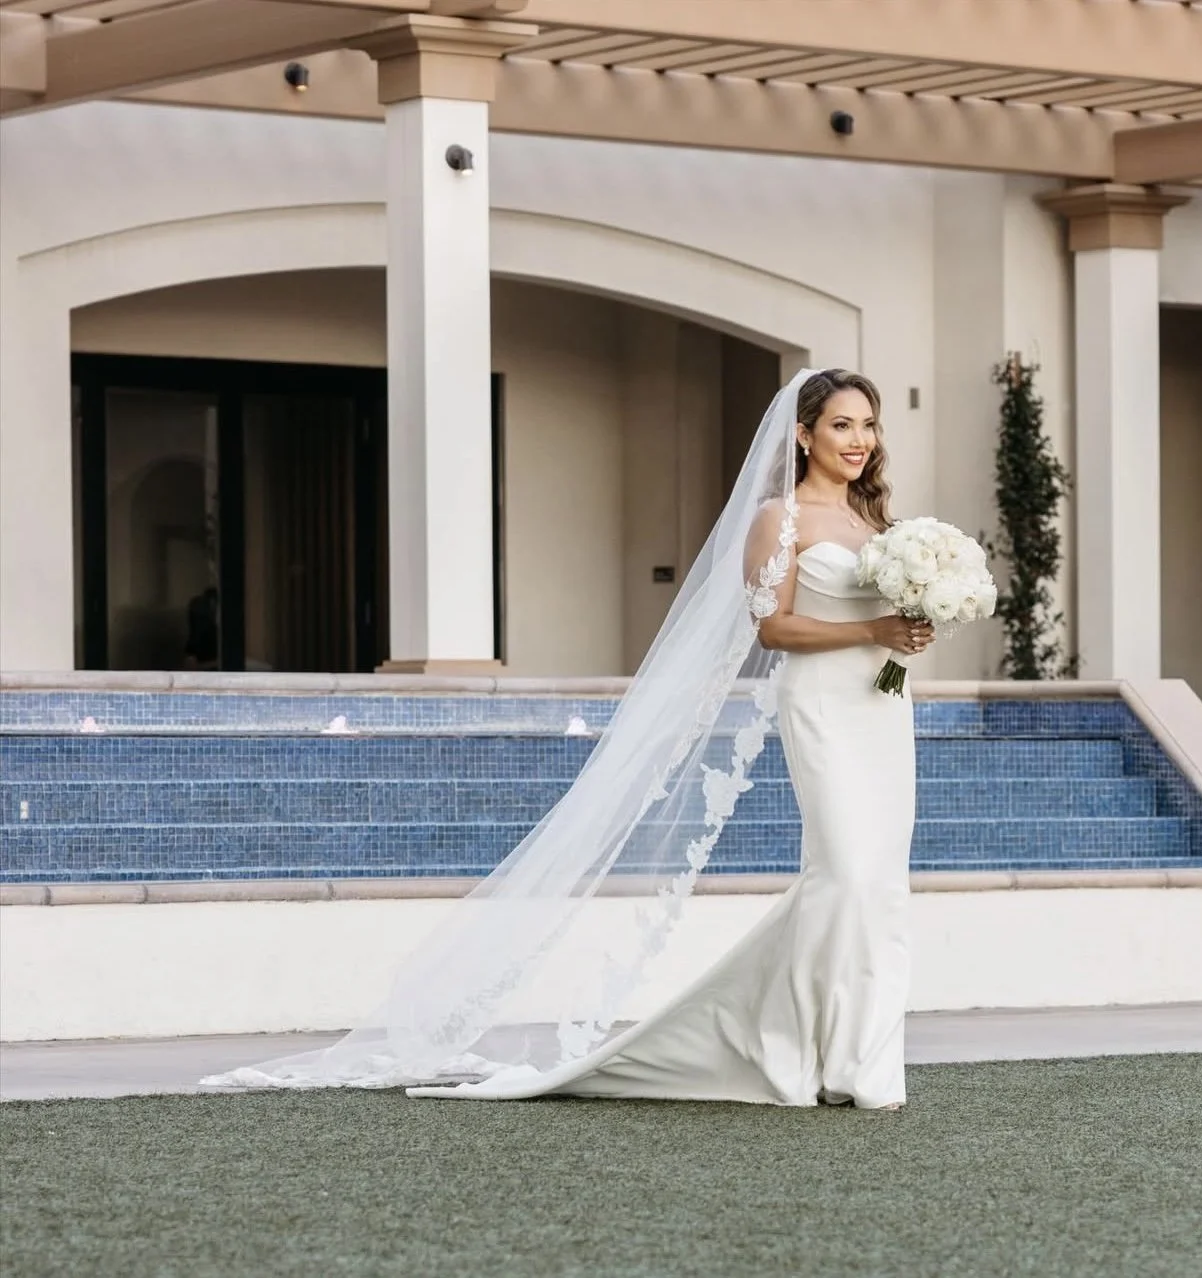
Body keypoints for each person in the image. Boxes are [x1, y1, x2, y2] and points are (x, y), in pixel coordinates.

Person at [202, 369, 933, 1109]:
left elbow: (884, 617)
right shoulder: (780, 518)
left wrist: (910, 628)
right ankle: (798, 1050)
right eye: (842, 425)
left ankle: (857, 1056)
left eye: (868, 425)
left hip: (882, 711)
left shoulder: (878, 526)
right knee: (841, 874)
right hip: (822, 711)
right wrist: (871, 628)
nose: (860, 440)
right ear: (804, 433)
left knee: (878, 887)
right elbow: (771, 626)